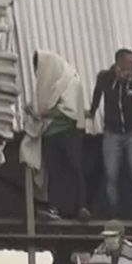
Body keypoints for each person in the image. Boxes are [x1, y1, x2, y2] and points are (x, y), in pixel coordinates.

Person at [88, 48, 132, 224]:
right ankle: (113, 214)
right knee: (111, 174)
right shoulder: (105, 78)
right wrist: (91, 112)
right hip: (112, 133)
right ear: (119, 64)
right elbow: (97, 96)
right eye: (131, 63)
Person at [25, 50, 89, 221]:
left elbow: (69, 111)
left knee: (74, 169)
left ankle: (81, 207)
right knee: (54, 173)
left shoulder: (71, 80)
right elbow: (41, 105)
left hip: (69, 133)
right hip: (49, 134)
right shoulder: (48, 82)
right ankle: (55, 208)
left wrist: (43, 113)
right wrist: (32, 109)